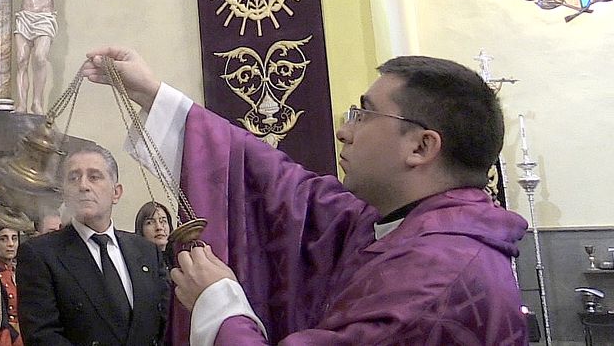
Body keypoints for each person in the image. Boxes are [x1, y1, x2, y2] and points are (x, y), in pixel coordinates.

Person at [83, 47, 529, 345]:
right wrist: (152, 94)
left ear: (420, 147)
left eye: (363, 114)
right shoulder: (393, 225)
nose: (344, 130)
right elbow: (280, 186)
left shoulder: (434, 280)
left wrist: (218, 302)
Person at [17, 146, 169, 346]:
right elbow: (42, 336)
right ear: (64, 193)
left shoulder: (146, 251)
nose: (83, 186)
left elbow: (164, 322)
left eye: (94, 177)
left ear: (116, 192)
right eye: (73, 178)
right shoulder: (41, 254)